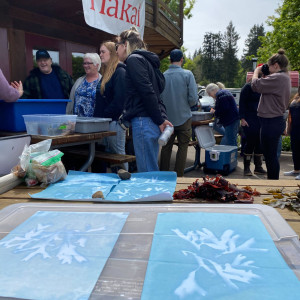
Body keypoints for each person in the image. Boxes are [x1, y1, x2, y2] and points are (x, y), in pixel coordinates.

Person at [116, 26, 172, 172]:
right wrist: (161, 118)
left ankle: (155, 195)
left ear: (125, 45)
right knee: (151, 168)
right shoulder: (148, 62)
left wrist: (160, 119)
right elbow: (155, 92)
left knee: (147, 172)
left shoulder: (134, 60)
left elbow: (148, 92)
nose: (116, 50)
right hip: (150, 121)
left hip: (143, 122)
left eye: (117, 46)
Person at [251, 49, 291, 180]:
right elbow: (265, 87)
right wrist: (265, 74)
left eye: (269, 66)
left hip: (271, 121)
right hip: (272, 120)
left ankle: (273, 182)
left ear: (276, 65)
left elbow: (256, 85)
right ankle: (272, 181)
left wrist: (257, 71)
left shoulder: (279, 77)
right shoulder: (283, 77)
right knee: (270, 156)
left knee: (270, 156)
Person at [159, 49, 198, 177]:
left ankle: (163, 176)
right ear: (182, 59)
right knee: (183, 147)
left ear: (170, 60)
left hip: (167, 119)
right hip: (184, 117)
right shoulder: (188, 74)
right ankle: (179, 176)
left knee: (166, 148)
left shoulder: (163, 75)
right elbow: (193, 99)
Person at [94, 41, 128, 170]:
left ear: (112, 53)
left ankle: (125, 186)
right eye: (100, 52)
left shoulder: (120, 72)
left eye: (103, 52)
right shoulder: (108, 72)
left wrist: (104, 115)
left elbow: (119, 101)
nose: (100, 54)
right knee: (112, 158)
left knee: (118, 156)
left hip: (114, 123)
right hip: (106, 123)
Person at [239, 77, 266, 176]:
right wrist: (242, 118)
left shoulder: (263, 87)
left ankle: (258, 167)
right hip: (249, 119)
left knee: (259, 143)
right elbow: (241, 103)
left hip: (260, 118)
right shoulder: (247, 87)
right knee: (250, 142)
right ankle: (246, 168)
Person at [284, 87, 300, 180]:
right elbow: (290, 115)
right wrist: (288, 128)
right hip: (295, 129)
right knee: (295, 150)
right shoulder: (295, 99)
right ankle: (296, 170)